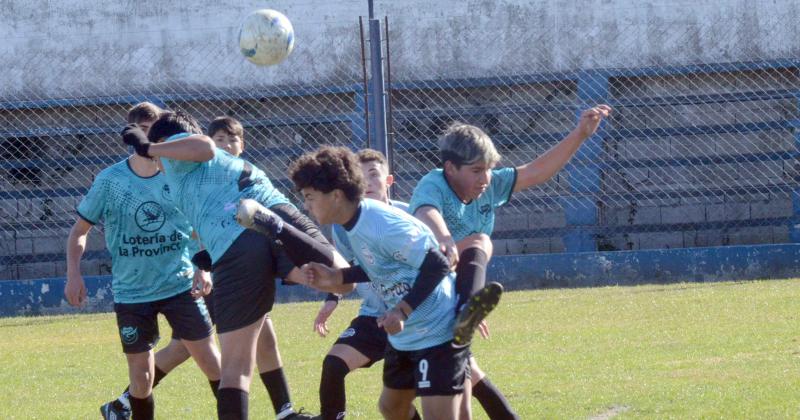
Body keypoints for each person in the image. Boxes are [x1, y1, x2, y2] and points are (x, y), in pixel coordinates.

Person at [123, 110, 350, 420]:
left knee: (236, 369)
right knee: (342, 280)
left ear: (168, 141)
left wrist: (148, 147)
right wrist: (204, 257)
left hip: (238, 245)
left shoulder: (179, 155)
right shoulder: (192, 174)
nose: (157, 161)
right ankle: (278, 229)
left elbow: (202, 145)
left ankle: (284, 410)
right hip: (266, 218)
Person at [409, 104, 612, 418]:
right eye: (477, 170)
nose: (486, 178)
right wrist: (444, 236)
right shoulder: (434, 183)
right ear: (451, 168)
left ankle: (466, 309)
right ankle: (468, 308)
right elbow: (426, 211)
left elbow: (536, 172)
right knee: (480, 241)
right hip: (421, 292)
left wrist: (580, 134)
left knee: (459, 384)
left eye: (489, 168)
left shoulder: (489, 184)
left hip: (446, 294)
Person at [282, 146, 483, 419]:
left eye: (309, 197)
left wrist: (402, 309)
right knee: (392, 407)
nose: (306, 205)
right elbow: (380, 264)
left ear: (336, 196)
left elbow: (438, 263)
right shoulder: (351, 222)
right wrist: (337, 277)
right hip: (406, 336)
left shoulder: (382, 223)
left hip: (436, 330)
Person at [64, 104, 222, 420]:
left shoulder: (178, 174)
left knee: (215, 366)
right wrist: (73, 275)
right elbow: (79, 231)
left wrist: (202, 268)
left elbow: (198, 224)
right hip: (132, 292)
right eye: (149, 132)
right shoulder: (111, 180)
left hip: (180, 286)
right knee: (142, 378)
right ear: (133, 134)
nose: (158, 141)